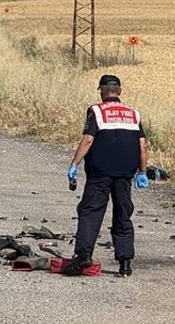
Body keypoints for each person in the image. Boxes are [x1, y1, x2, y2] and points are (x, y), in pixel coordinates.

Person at [64, 74, 150, 277]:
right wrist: (142, 171)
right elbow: (142, 145)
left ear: (102, 91)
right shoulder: (133, 114)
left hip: (100, 173)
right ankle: (125, 262)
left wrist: (74, 164)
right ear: (119, 91)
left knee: (90, 212)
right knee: (122, 214)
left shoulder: (96, 111)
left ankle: (83, 255)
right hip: (125, 174)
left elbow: (88, 140)